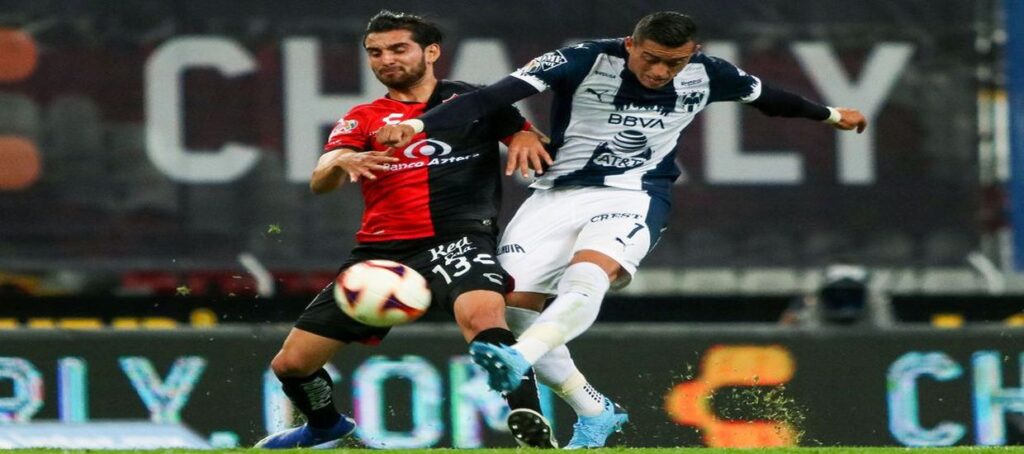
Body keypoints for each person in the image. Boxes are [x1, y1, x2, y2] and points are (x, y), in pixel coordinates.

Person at [377, 10, 869, 448]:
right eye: (650, 58)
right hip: (556, 195)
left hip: (634, 194)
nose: (659, 72)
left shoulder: (710, 73)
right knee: (515, 307)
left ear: (692, 54)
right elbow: (491, 98)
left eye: (673, 63)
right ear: (631, 44)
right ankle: (594, 410)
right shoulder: (580, 60)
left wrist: (831, 116)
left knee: (589, 274)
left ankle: (518, 358)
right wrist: (417, 126)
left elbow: (772, 99)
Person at [257, 10, 561, 449]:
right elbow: (322, 178)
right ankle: (326, 427)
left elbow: (523, 135)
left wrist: (526, 136)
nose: (386, 60)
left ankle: (529, 424)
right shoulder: (364, 117)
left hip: (458, 240)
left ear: (431, 52)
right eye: (375, 52)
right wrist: (340, 161)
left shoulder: (473, 102)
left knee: (483, 317)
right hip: (380, 256)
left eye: (398, 49)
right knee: (290, 365)